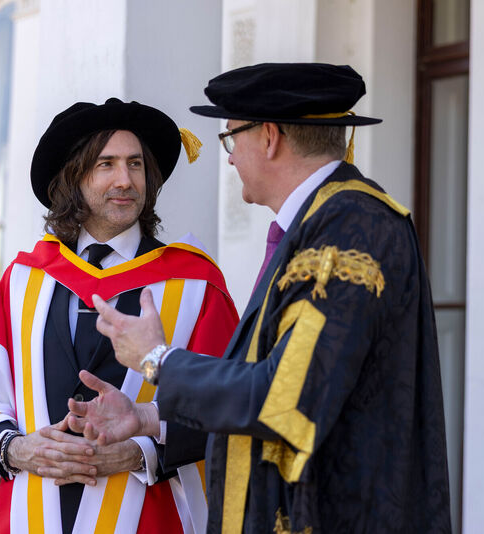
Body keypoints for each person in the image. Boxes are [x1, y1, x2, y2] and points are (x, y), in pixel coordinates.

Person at [66, 64, 453, 533]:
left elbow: (286, 397)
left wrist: (157, 361)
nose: (228, 158)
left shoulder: (349, 228)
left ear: (268, 137)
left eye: (230, 138)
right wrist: (147, 417)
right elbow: (274, 378)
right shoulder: (322, 224)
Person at [0, 98, 239, 534]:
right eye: (106, 164)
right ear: (74, 179)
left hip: (146, 516)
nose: (125, 180)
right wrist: (18, 449)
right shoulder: (24, 280)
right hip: (28, 513)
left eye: (136, 165)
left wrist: (142, 453)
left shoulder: (194, 284)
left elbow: (230, 410)